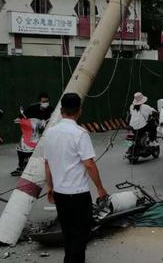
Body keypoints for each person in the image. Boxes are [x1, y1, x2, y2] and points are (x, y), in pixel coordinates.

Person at [44, 93, 108, 263]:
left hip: (60, 194)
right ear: (80, 110)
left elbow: (47, 164)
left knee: (68, 234)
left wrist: (50, 187)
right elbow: (89, 164)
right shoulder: (80, 133)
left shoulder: (50, 133)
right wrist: (100, 188)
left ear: (61, 110)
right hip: (78, 195)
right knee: (80, 236)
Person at [10, 92, 54, 177]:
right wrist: (19, 119)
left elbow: (54, 119)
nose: (46, 103)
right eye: (43, 101)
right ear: (40, 102)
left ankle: (46, 166)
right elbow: (23, 116)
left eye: (47, 101)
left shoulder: (51, 109)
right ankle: (20, 167)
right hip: (31, 132)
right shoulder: (32, 108)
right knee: (20, 147)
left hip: (45, 133)